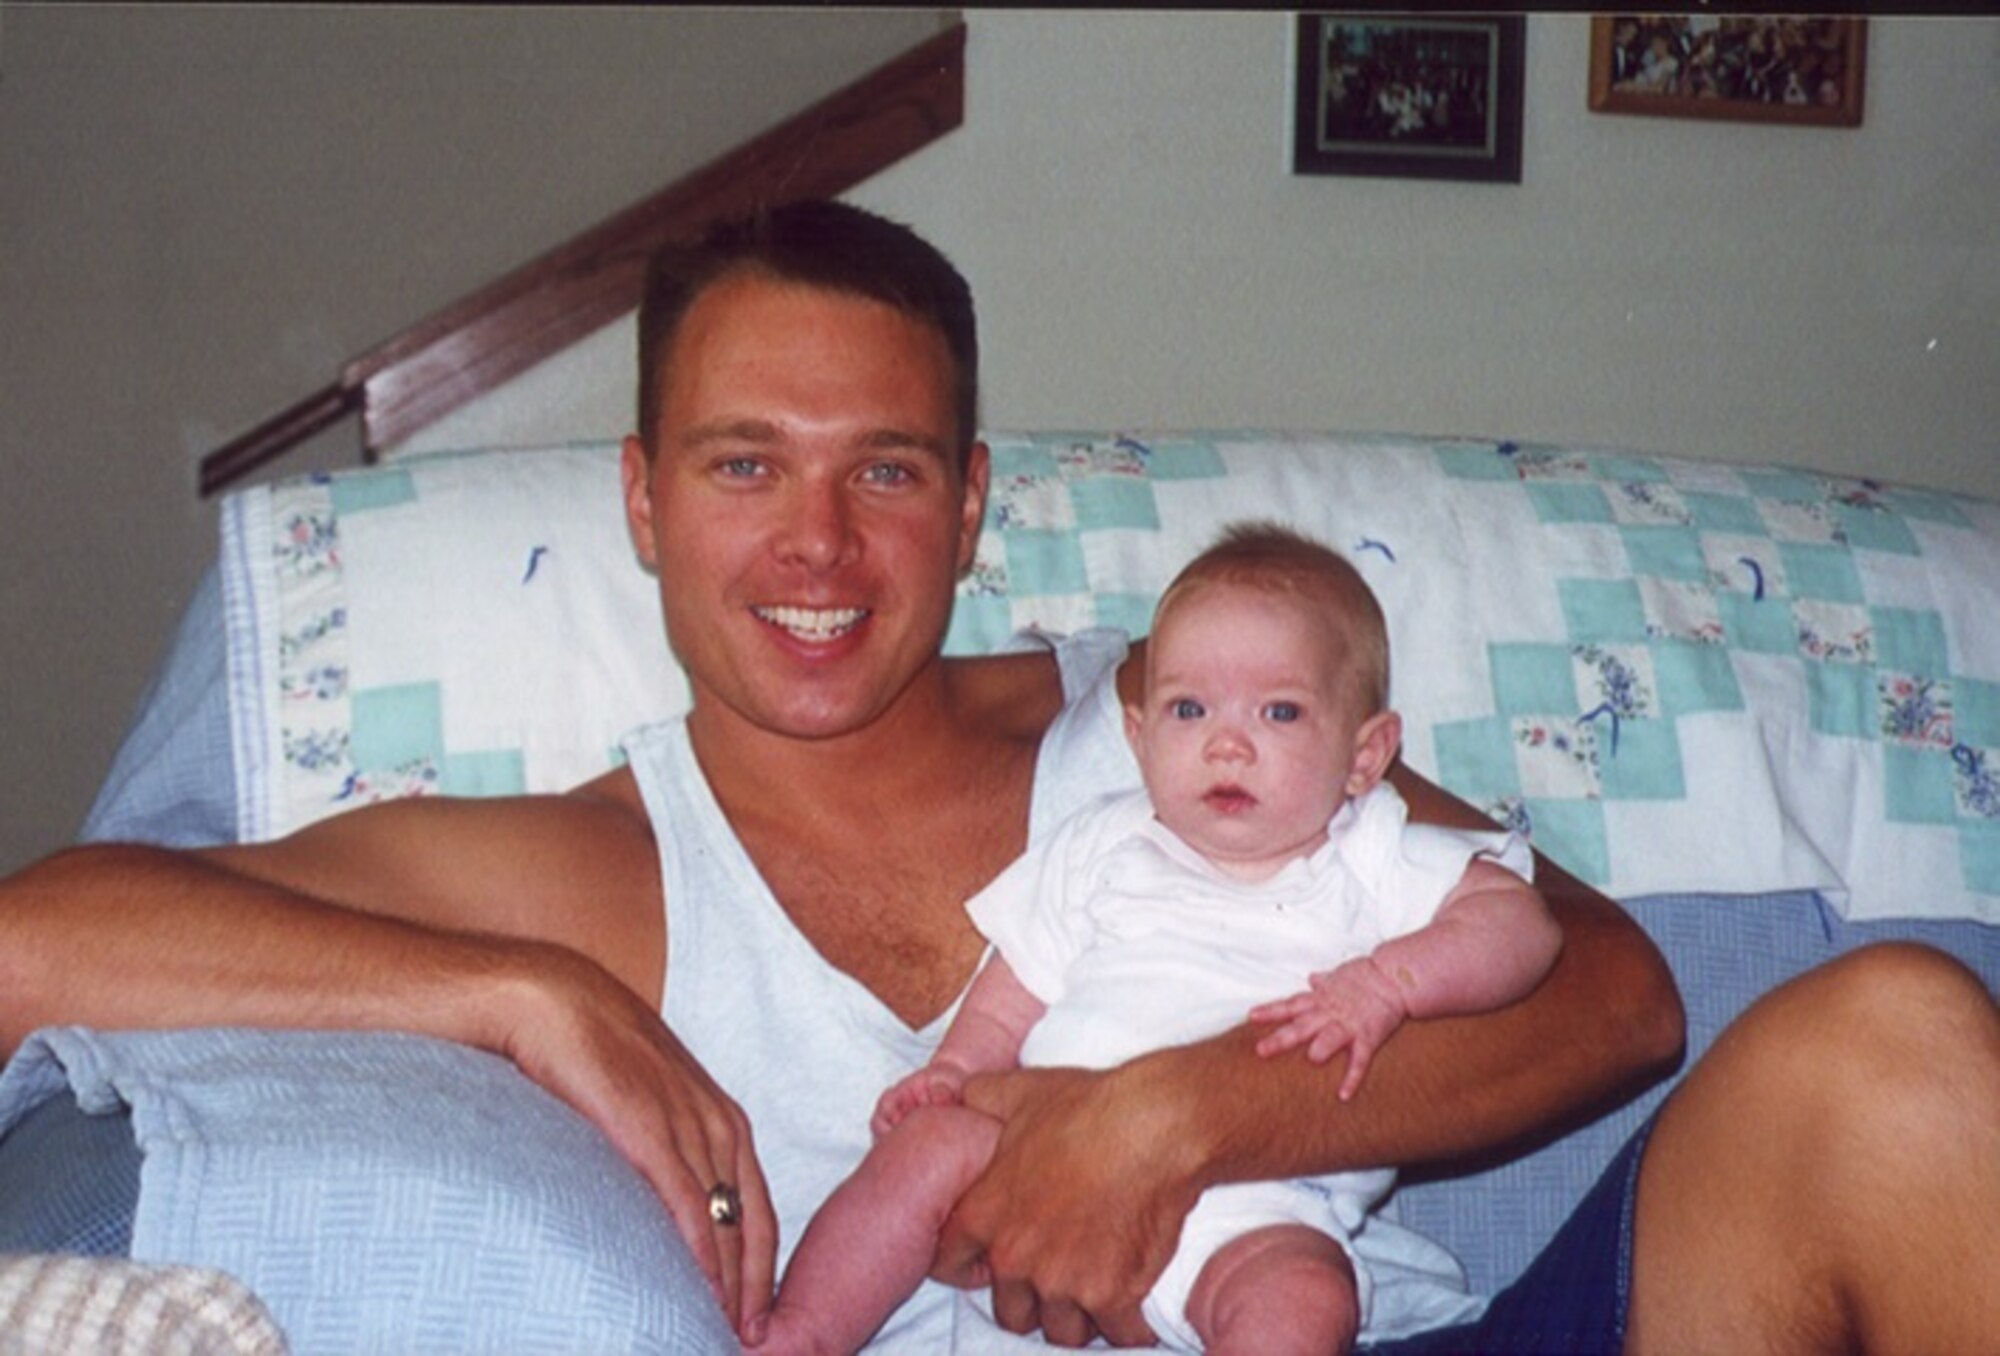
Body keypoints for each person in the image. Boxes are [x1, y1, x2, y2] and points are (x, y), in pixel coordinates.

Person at [0, 199, 1995, 1353]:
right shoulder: (574, 871)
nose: (812, 550)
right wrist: (519, 997)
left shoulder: (1190, 723)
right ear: (639, 501)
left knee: (1896, 1046)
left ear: (967, 512)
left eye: (881, 472)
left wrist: (1170, 1121)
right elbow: (34, 941)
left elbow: (1613, 989)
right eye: (739, 467)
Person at [755, 523, 1563, 1354]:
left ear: (1365, 756)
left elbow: (1519, 926)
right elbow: (1014, 985)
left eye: (1279, 711)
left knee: (1305, 1296)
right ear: (1138, 741)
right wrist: (955, 1071)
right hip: (1038, 1160)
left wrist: (1392, 984)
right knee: (923, 1151)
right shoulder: (1104, 842)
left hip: (1257, 1209)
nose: (1227, 741)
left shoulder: (1374, 851)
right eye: (1189, 708)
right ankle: (803, 1331)